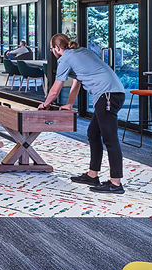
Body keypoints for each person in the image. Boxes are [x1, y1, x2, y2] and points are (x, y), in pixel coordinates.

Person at [37, 33, 127, 194]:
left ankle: (116, 182)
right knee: (93, 133)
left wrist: (45, 104)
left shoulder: (65, 58)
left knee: (110, 138)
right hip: (111, 94)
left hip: (107, 95)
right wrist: (69, 103)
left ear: (57, 48)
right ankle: (93, 175)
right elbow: (78, 81)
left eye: (52, 49)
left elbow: (55, 89)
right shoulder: (81, 52)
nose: (52, 52)